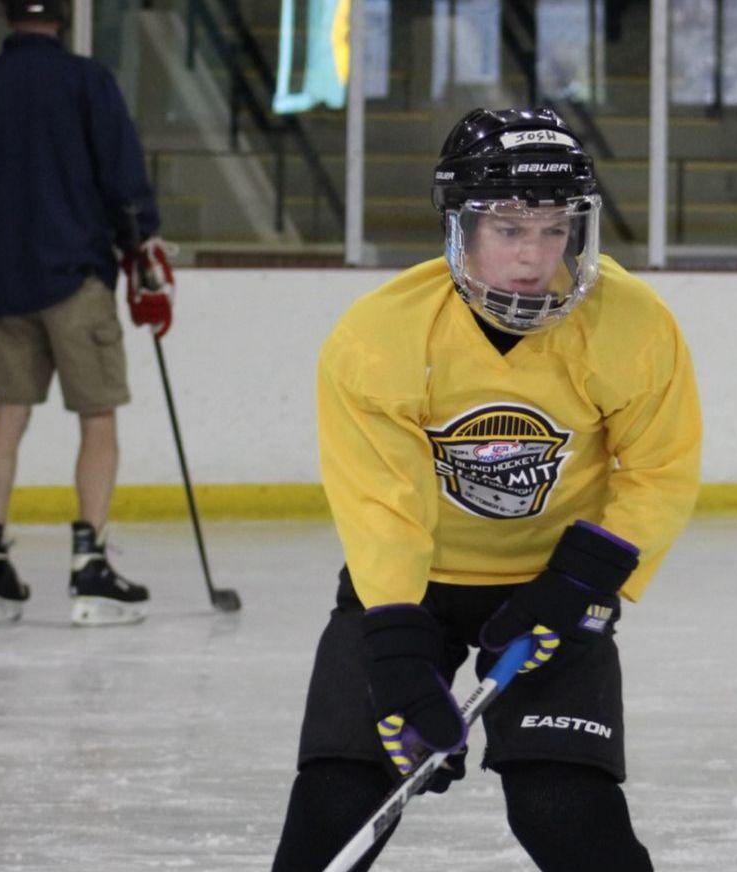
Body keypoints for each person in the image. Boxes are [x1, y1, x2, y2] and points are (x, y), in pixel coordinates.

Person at [270, 107, 702, 870]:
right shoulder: (381, 338)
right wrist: (401, 657)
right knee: (341, 794)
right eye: (509, 230)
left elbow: (659, 469)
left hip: (557, 581)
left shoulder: (629, 323)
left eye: (554, 228)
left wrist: (576, 583)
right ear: (460, 227)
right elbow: (383, 508)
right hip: (413, 582)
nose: (535, 257)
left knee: (564, 807)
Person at [0, 0, 175, 627]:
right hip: (76, 279)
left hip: (6, 284)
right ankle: (89, 566)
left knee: (9, 414)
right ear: (63, 18)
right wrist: (141, 248)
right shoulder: (87, 81)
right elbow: (123, 178)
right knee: (97, 418)